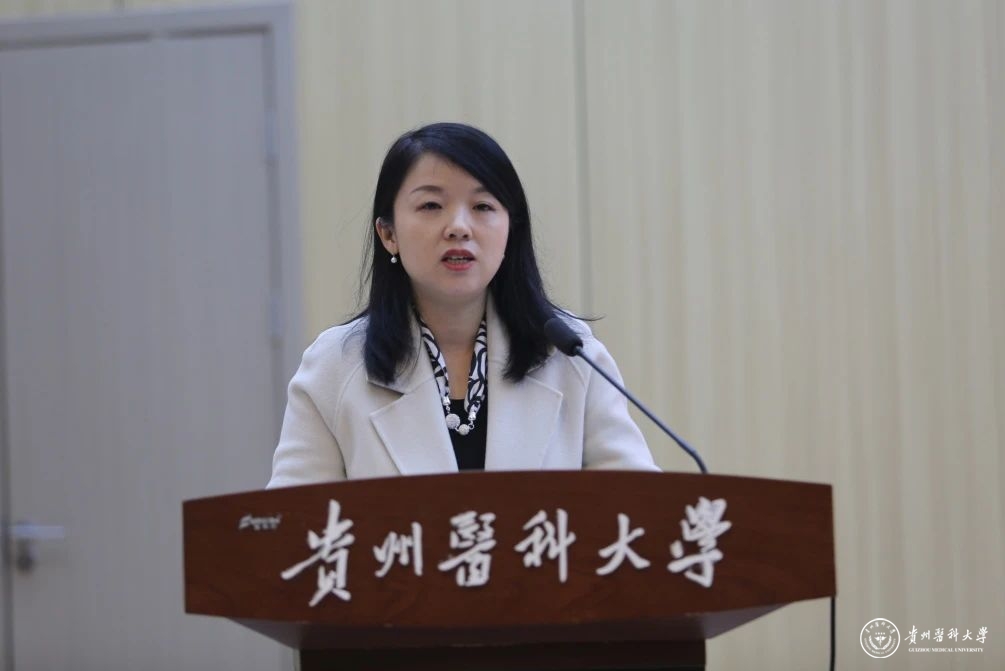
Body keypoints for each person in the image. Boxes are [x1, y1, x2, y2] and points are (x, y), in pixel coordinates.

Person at [267, 122, 658, 488]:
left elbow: (639, 507)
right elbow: (294, 524)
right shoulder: (334, 367)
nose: (458, 227)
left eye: (483, 207)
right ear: (388, 234)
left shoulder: (571, 355)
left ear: (511, 229)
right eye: (431, 206)